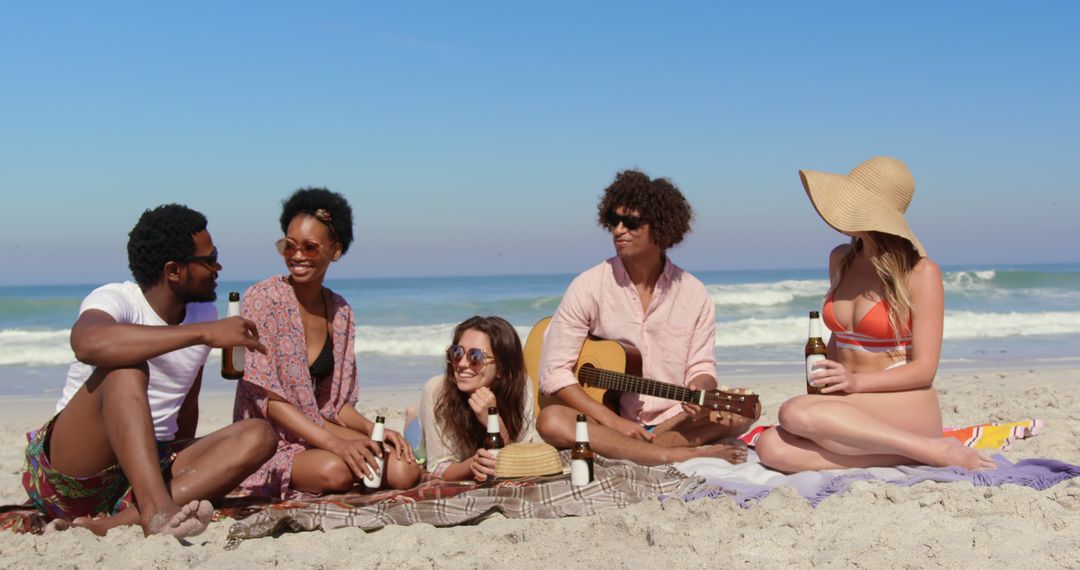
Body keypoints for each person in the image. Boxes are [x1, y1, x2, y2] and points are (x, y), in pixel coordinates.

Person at [20, 204, 277, 538]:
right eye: (209, 259)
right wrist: (203, 334)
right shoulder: (118, 299)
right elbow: (86, 343)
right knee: (126, 370)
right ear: (173, 271)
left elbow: (186, 404)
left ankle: (116, 522)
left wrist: (190, 464)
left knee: (259, 434)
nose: (218, 267)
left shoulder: (204, 313)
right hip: (72, 471)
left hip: (145, 469)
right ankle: (156, 514)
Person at [754, 156, 995, 472]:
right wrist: (830, 381)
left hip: (902, 402)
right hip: (851, 401)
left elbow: (924, 369)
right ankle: (914, 454)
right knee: (770, 446)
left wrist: (855, 382)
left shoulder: (921, 273)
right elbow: (840, 340)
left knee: (793, 413)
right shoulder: (841, 259)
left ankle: (931, 448)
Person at [536, 170, 756, 466]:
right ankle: (669, 453)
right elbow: (554, 373)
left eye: (632, 222)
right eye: (613, 221)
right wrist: (612, 422)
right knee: (551, 419)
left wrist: (700, 391)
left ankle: (632, 450)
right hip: (604, 420)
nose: (618, 230)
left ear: (661, 228)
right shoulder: (588, 286)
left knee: (743, 412)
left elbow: (701, 366)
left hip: (672, 420)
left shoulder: (694, 293)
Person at [234, 188, 421, 499]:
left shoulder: (340, 311)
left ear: (335, 251)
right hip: (269, 435)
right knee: (336, 470)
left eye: (310, 248)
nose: (297, 256)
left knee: (404, 470)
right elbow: (269, 401)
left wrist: (371, 432)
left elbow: (334, 404)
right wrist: (337, 444)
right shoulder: (262, 299)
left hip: (320, 425)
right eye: (289, 246)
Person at [416, 316, 538, 481]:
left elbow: (520, 459)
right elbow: (438, 468)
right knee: (416, 446)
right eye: (457, 353)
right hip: (421, 439)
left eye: (475, 356)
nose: (462, 364)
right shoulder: (437, 390)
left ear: (501, 367)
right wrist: (471, 466)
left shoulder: (521, 387)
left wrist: (494, 422)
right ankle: (413, 417)